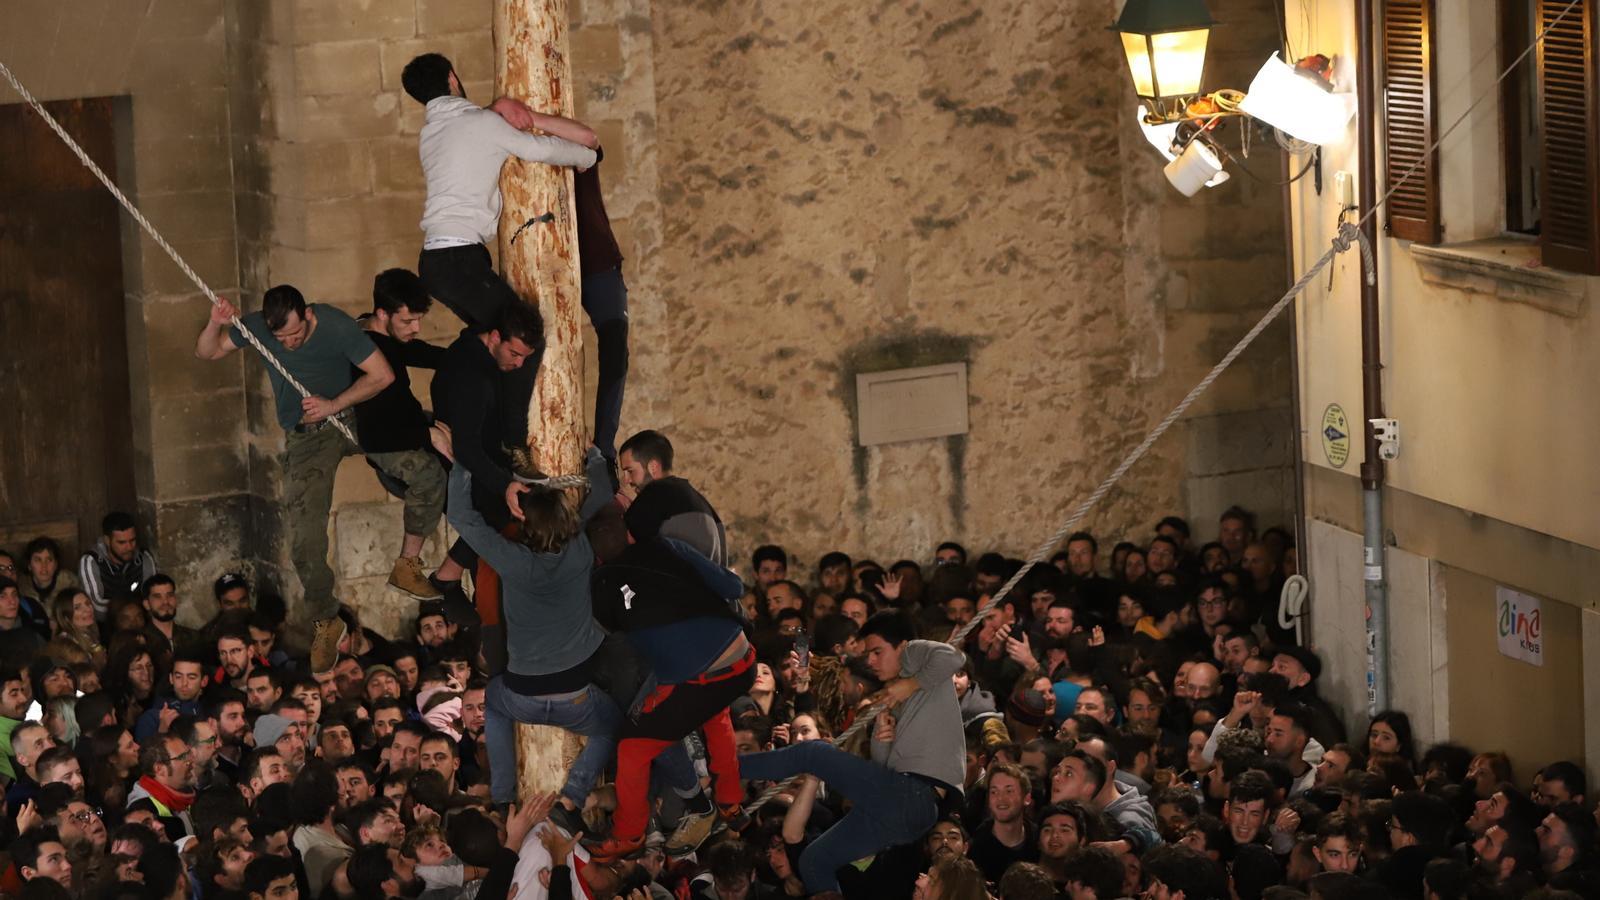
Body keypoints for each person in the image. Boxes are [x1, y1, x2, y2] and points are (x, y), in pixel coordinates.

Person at [194, 285, 448, 672]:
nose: (290, 344)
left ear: (308, 315)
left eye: (296, 334)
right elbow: (206, 352)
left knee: (429, 475)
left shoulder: (334, 324)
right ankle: (328, 620)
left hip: (352, 417)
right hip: (308, 437)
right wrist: (215, 323)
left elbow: (381, 375)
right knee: (304, 540)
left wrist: (335, 404)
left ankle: (407, 563)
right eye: (282, 338)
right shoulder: (258, 328)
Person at [402, 50, 597, 441]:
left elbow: (472, 128)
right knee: (526, 339)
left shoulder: (431, 132)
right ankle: (515, 442)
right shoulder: (480, 123)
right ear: (454, 78)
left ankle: (472, 428)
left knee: (490, 339)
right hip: (459, 261)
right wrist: (587, 157)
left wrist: (492, 111)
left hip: (439, 263)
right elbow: (539, 150)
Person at [441, 431, 618, 831]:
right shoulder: (579, 547)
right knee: (610, 726)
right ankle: (572, 798)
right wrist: (592, 454)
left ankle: (504, 799)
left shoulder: (513, 560)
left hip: (521, 693)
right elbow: (602, 488)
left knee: (495, 703)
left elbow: (461, 517)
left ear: (524, 523)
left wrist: (463, 463)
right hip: (576, 694)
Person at [738, 612, 964, 895]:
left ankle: (726, 768)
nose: (870, 661)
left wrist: (910, 684)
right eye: (867, 653)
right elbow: (884, 768)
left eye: (877, 652)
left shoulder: (916, 655)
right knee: (814, 860)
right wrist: (883, 737)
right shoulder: (892, 696)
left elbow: (955, 658)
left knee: (815, 753)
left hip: (916, 797)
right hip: (904, 807)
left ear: (902, 647)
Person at [618, 430, 727, 565]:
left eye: (630, 471)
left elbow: (620, 542)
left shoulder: (656, 492)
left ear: (653, 467)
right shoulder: (703, 503)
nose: (626, 480)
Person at [78, 512, 158, 620]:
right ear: (107, 540)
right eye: (122, 542)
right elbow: (95, 607)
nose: (129, 547)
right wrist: (133, 612)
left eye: (132, 540)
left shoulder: (144, 558)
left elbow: (154, 598)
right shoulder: (91, 560)